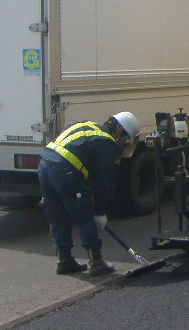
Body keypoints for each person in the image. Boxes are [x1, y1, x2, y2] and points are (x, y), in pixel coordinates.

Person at [38, 111, 139, 276]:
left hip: (44, 166)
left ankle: (64, 260)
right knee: (84, 215)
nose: (124, 144)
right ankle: (97, 262)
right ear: (120, 131)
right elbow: (102, 183)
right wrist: (100, 212)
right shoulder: (107, 144)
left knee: (57, 215)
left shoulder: (87, 126)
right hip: (64, 172)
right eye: (126, 140)